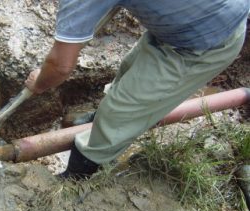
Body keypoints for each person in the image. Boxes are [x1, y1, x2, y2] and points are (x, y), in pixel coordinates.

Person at [25, 0, 250, 179]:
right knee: (128, 71)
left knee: (121, 111)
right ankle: (96, 121)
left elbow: (60, 66)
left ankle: (78, 174)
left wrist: (39, 83)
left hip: (207, 40)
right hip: (181, 22)